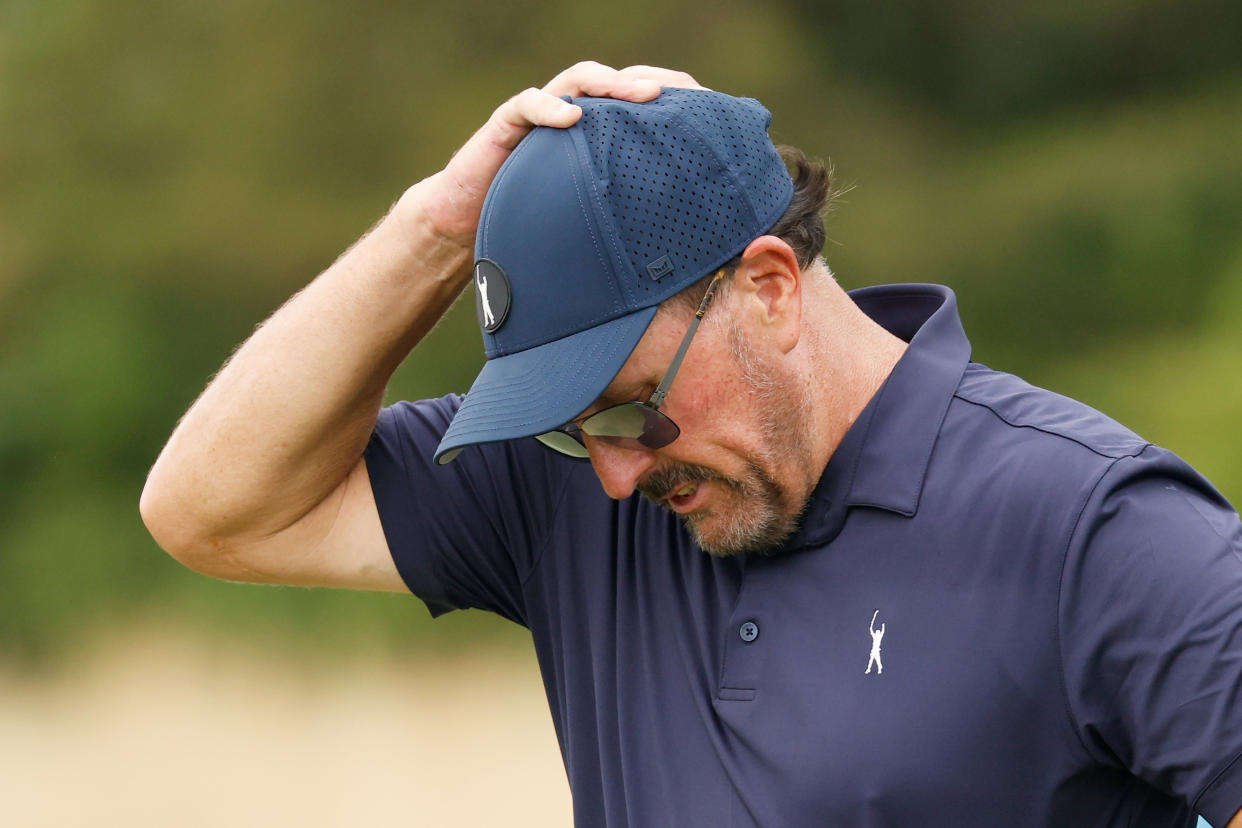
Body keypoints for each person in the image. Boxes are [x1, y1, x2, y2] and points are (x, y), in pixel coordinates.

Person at [140, 62, 1242, 827]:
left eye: (627, 407)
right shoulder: (568, 483)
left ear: (766, 288)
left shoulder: (1092, 523)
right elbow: (209, 509)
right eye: (574, 434)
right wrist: (436, 232)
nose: (615, 474)